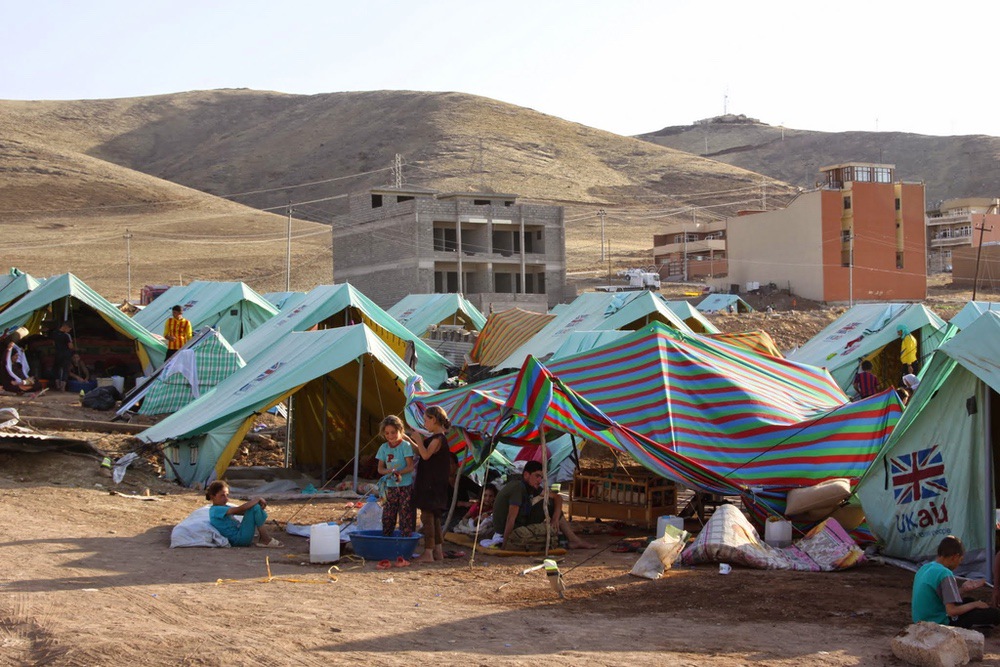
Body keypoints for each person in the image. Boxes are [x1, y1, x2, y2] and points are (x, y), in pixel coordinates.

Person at [492, 461, 595, 551]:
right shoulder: (517, 488)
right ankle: (573, 540)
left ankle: (574, 540)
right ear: (526, 475)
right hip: (507, 529)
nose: (539, 480)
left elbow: (557, 498)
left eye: (541, 477)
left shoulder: (531, 486)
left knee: (551, 503)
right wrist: (505, 546)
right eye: (537, 476)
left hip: (521, 521)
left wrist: (555, 518)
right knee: (549, 505)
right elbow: (511, 519)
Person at [912, 535, 1000, 628]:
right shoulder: (945, 574)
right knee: (993, 614)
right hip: (937, 622)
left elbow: (941, 595)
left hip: (921, 618)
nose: (959, 564)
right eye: (960, 560)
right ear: (955, 557)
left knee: (968, 600)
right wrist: (975, 604)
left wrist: (963, 589)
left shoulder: (925, 567)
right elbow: (951, 611)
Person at [410, 406, 453, 563]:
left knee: (427, 517)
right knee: (435, 517)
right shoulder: (436, 438)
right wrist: (410, 440)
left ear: (434, 419)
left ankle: (428, 552)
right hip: (435, 485)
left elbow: (426, 455)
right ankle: (438, 551)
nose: (425, 423)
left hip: (431, 485)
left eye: (427, 419)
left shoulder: (437, 439)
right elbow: (421, 452)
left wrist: (418, 440)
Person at [206, 480, 282, 548]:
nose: (226, 498)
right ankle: (265, 538)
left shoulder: (222, 507)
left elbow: (243, 512)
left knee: (255, 508)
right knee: (254, 507)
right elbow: (239, 509)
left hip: (240, 536)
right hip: (238, 539)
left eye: (227, 495)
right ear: (212, 496)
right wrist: (257, 500)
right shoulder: (216, 510)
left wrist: (256, 511)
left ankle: (264, 538)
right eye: (222, 495)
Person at [375, 415, 416, 537]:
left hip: (405, 486)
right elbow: (380, 469)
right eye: (387, 433)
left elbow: (410, 466)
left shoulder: (405, 446)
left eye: (393, 432)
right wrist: (389, 472)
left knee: (405, 515)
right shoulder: (383, 448)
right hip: (390, 486)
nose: (390, 436)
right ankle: (387, 538)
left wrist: (398, 472)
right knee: (388, 514)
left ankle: (405, 541)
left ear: (400, 430)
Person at [51, 321, 74, 391]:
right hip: (66, 354)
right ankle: (63, 387)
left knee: (56, 370)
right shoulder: (67, 335)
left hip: (57, 354)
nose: (69, 331)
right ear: (66, 327)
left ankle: (57, 385)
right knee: (65, 370)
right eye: (69, 329)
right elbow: (70, 346)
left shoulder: (54, 333)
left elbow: (53, 343)